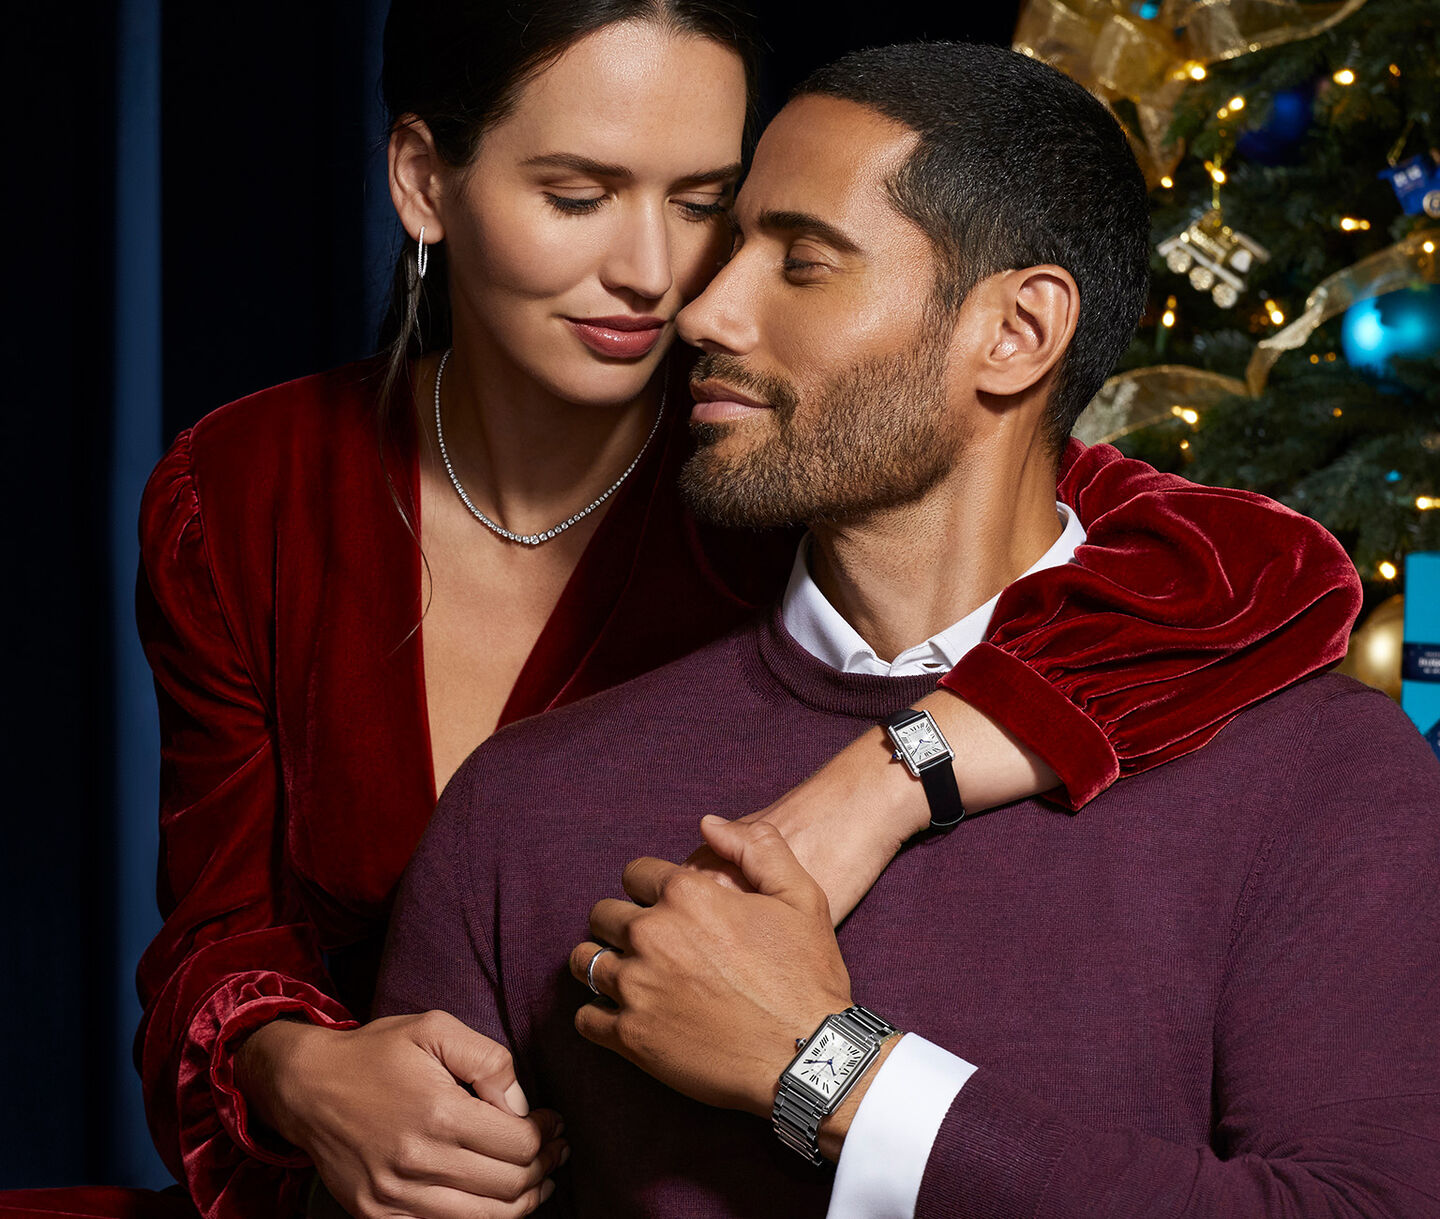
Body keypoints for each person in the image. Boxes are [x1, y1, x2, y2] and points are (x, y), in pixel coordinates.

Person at [85, 7, 1358, 1219]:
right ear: (423, 181)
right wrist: (288, 1070)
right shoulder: (249, 491)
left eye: (704, 206)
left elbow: (1250, 569)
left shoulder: (792, 445)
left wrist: (889, 777)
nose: (664, 283)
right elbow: (216, 928)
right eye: (578, 196)